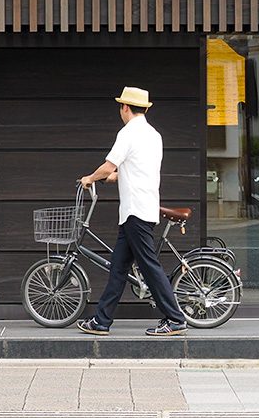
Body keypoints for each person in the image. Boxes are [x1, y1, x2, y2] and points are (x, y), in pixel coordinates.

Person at [77, 86, 188, 337]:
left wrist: (90, 178)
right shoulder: (153, 134)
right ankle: (101, 321)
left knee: (149, 266)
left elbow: (108, 166)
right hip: (139, 210)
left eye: (121, 107)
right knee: (118, 269)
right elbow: (135, 169)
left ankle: (175, 318)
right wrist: (111, 177)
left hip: (135, 211)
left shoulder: (128, 133)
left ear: (125, 107)